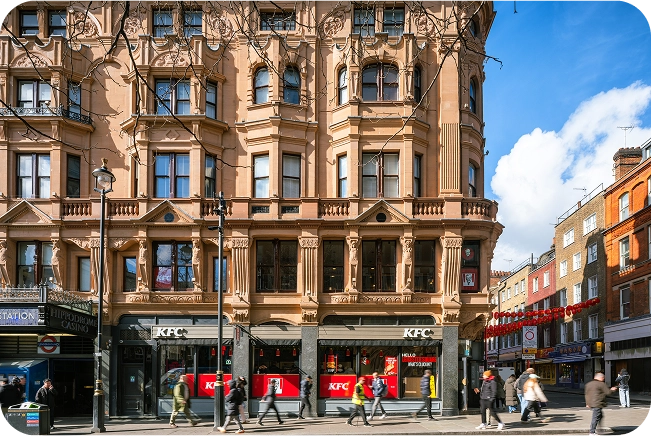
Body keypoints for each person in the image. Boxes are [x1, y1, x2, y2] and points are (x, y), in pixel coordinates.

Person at [585, 372, 617, 436]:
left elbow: (586, 394)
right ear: (601, 378)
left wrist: (587, 403)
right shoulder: (601, 384)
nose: (603, 379)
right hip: (598, 403)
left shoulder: (588, 384)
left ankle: (599, 430)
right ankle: (592, 432)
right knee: (595, 417)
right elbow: (608, 392)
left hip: (592, 403)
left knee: (600, 416)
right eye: (603, 378)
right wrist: (612, 389)